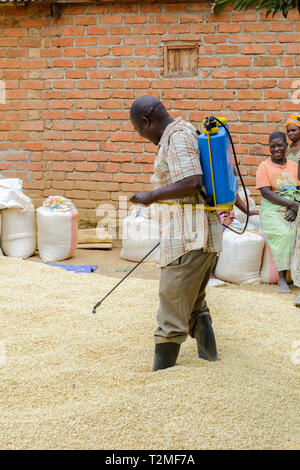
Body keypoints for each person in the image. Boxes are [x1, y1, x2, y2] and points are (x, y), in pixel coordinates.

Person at [129, 95, 223, 371]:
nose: (142, 136)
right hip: (197, 234)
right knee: (194, 302)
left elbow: (192, 182)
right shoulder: (184, 131)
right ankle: (211, 359)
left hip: (188, 237)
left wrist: (152, 195)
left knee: (171, 305)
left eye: (139, 131)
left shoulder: (177, 137)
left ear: (146, 122)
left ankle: (163, 377)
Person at [256, 131, 300, 295]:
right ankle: (282, 278)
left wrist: (294, 209)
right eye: (272, 146)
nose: (276, 149)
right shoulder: (264, 166)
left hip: (293, 206)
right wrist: (292, 205)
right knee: (285, 233)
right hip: (272, 208)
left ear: (286, 146)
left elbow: (298, 189)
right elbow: (266, 193)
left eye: (280, 145)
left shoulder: (294, 166)